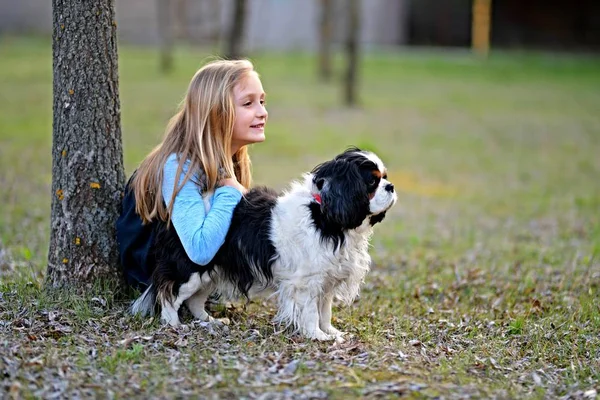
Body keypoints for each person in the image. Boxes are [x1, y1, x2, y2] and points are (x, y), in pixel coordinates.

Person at [116, 59, 268, 289]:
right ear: (216, 113)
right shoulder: (178, 166)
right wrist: (230, 191)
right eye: (248, 104)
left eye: (262, 101)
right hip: (158, 280)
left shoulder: (230, 161)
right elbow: (200, 250)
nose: (262, 112)